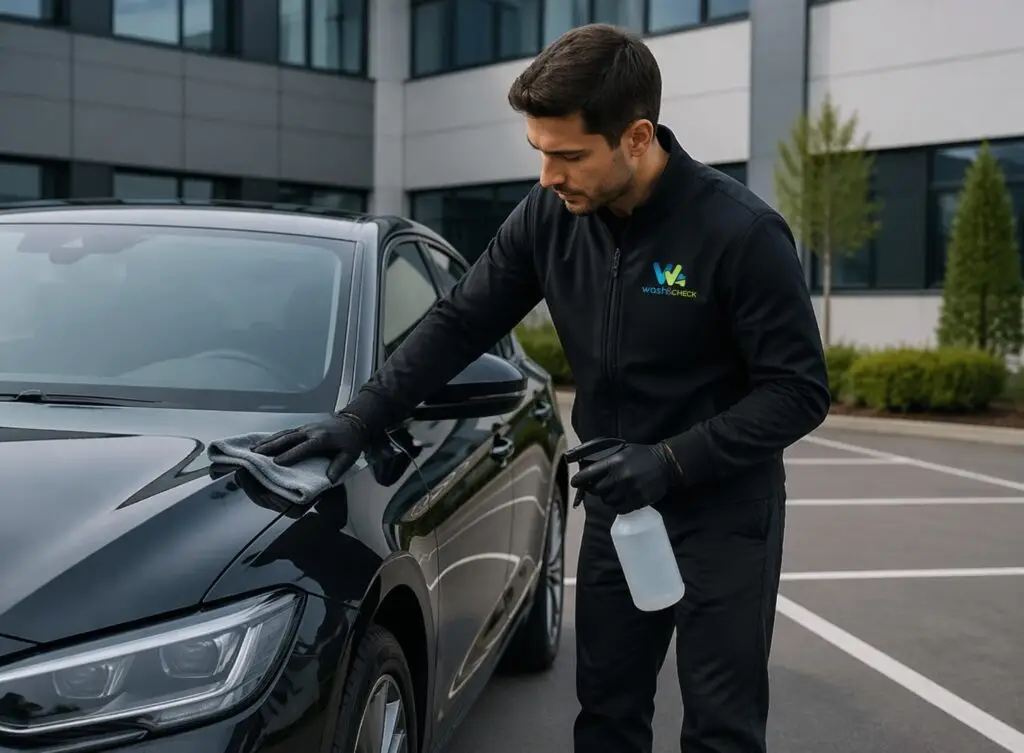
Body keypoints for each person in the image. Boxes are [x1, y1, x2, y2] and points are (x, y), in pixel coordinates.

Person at [251, 22, 830, 753]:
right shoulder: (550, 218)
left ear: (637, 137)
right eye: (540, 153)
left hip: (724, 514)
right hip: (622, 511)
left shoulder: (740, 233)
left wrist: (672, 460)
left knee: (721, 727)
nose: (549, 176)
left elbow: (799, 390)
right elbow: (460, 321)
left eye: (568, 155)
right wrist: (360, 418)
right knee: (607, 717)